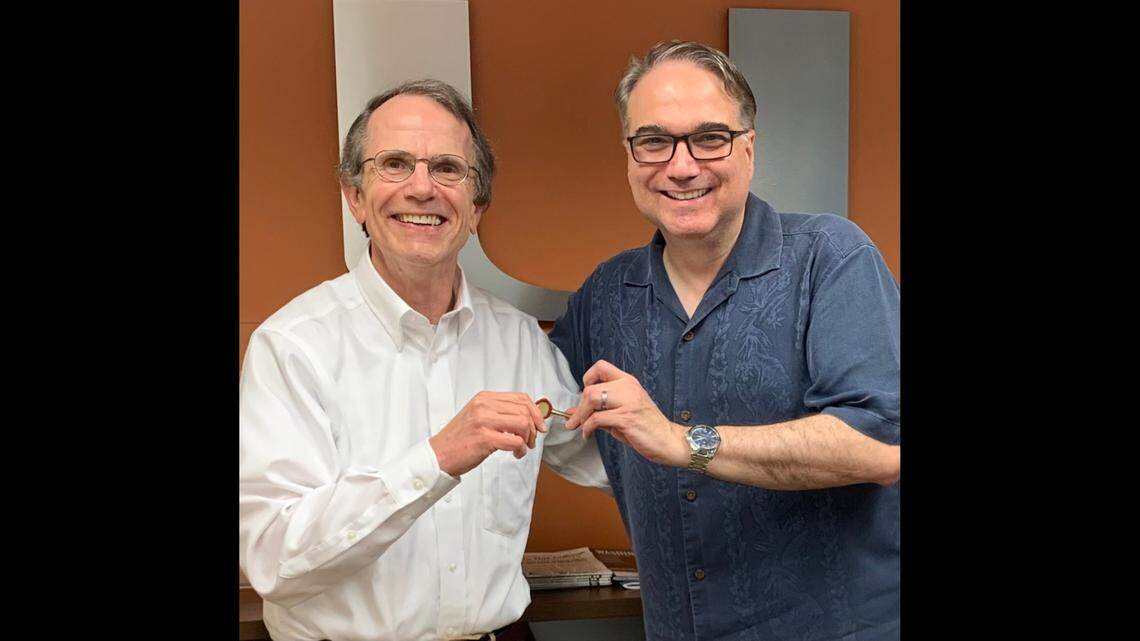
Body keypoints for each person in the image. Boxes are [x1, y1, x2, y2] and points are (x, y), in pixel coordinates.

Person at [549, 41, 901, 640]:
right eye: (654, 141)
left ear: (749, 148)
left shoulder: (830, 258)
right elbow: (540, 398)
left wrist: (683, 442)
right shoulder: (607, 292)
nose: (681, 166)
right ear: (630, 156)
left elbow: (880, 446)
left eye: (710, 137)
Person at [239, 79, 607, 641]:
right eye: (394, 164)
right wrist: (437, 458)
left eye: (447, 169)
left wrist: (651, 428)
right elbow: (273, 562)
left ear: (477, 206)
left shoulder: (518, 340)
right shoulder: (292, 346)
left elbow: (609, 461)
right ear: (355, 196)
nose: (421, 188)